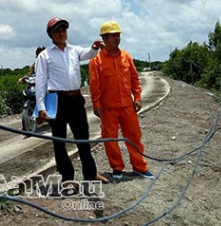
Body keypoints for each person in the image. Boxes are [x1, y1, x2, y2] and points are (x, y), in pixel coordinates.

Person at [35, 17, 109, 184]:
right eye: (57, 31)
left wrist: (94, 47)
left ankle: (90, 173)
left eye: (63, 30)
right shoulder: (45, 56)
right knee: (59, 141)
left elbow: (88, 54)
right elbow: (40, 83)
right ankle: (67, 177)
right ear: (51, 35)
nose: (61, 34)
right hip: (56, 100)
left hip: (76, 99)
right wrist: (41, 107)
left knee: (83, 137)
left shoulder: (74, 50)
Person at [88, 21, 153, 180]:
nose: (117, 38)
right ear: (104, 38)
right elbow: (94, 84)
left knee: (134, 137)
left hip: (127, 106)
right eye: (113, 35)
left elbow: (134, 79)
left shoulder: (126, 56)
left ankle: (140, 167)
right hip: (108, 107)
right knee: (110, 139)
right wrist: (96, 104)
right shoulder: (96, 61)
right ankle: (117, 168)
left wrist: (137, 97)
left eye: (118, 35)